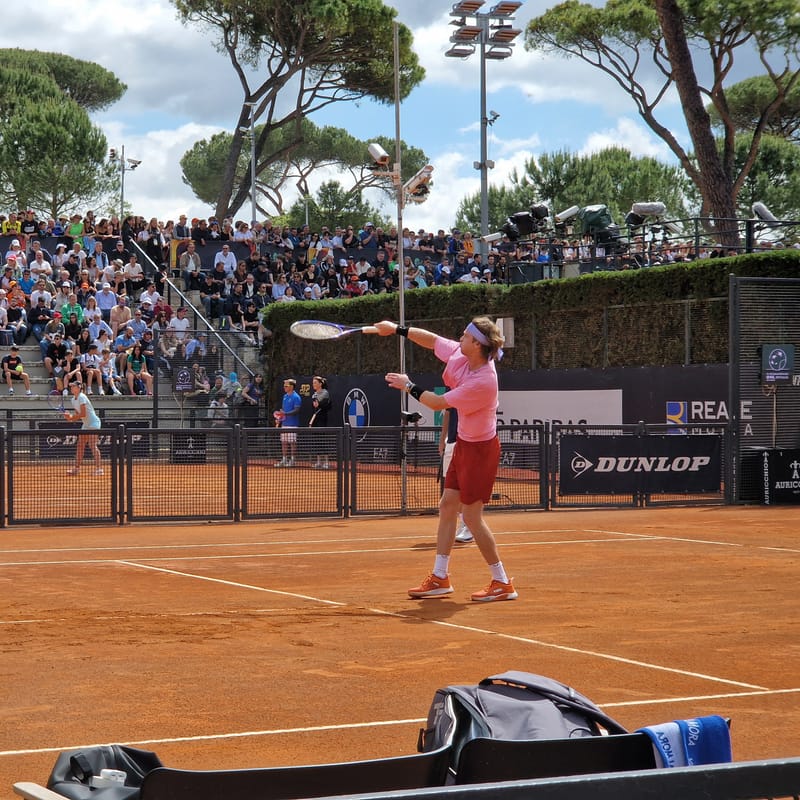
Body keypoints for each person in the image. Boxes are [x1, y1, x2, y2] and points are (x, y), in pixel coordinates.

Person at [374, 316, 517, 603]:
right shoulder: (462, 354)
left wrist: (407, 385)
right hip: (465, 443)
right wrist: (397, 330)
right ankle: (440, 577)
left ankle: (502, 582)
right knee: (448, 505)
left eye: (465, 336)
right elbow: (432, 340)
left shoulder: (484, 381)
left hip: (481, 450)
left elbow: (438, 403)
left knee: (472, 517)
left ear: (477, 344)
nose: (459, 338)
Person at [441, 407, 473, 543]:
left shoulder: (473, 387)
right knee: (452, 488)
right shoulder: (452, 387)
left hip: (467, 442)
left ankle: (468, 525)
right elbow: (447, 413)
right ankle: (462, 523)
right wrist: (443, 439)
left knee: (465, 487)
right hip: (451, 442)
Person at [64, 379, 103, 476]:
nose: (71, 388)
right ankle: (76, 469)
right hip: (85, 424)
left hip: (94, 423)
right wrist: (70, 418)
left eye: (73, 386)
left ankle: (99, 469)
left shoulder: (82, 397)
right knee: (80, 445)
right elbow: (78, 415)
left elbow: (83, 413)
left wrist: (72, 417)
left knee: (92, 445)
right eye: (71, 386)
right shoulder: (73, 400)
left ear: (79, 388)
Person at [274, 377, 301, 467]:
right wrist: (280, 418)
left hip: (293, 424)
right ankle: (284, 459)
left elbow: (296, 410)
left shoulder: (296, 397)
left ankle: (293, 460)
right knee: (284, 442)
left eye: (286, 385)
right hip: (284, 423)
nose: (284, 387)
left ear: (292, 386)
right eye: (284, 385)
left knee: (292, 442)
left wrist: (285, 413)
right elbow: (283, 411)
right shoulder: (284, 396)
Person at [310, 375, 332, 469]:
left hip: (323, 418)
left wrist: (318, 404)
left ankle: (326, 462)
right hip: (316, 418)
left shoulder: (325, 393)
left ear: (320, 384)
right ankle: (319, 461)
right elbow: (315, 406)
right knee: (316, 440)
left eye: (315, 382)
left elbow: (321, 405)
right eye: (313, 383)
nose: (313, 384)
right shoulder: (314, 394)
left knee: (323, 439)